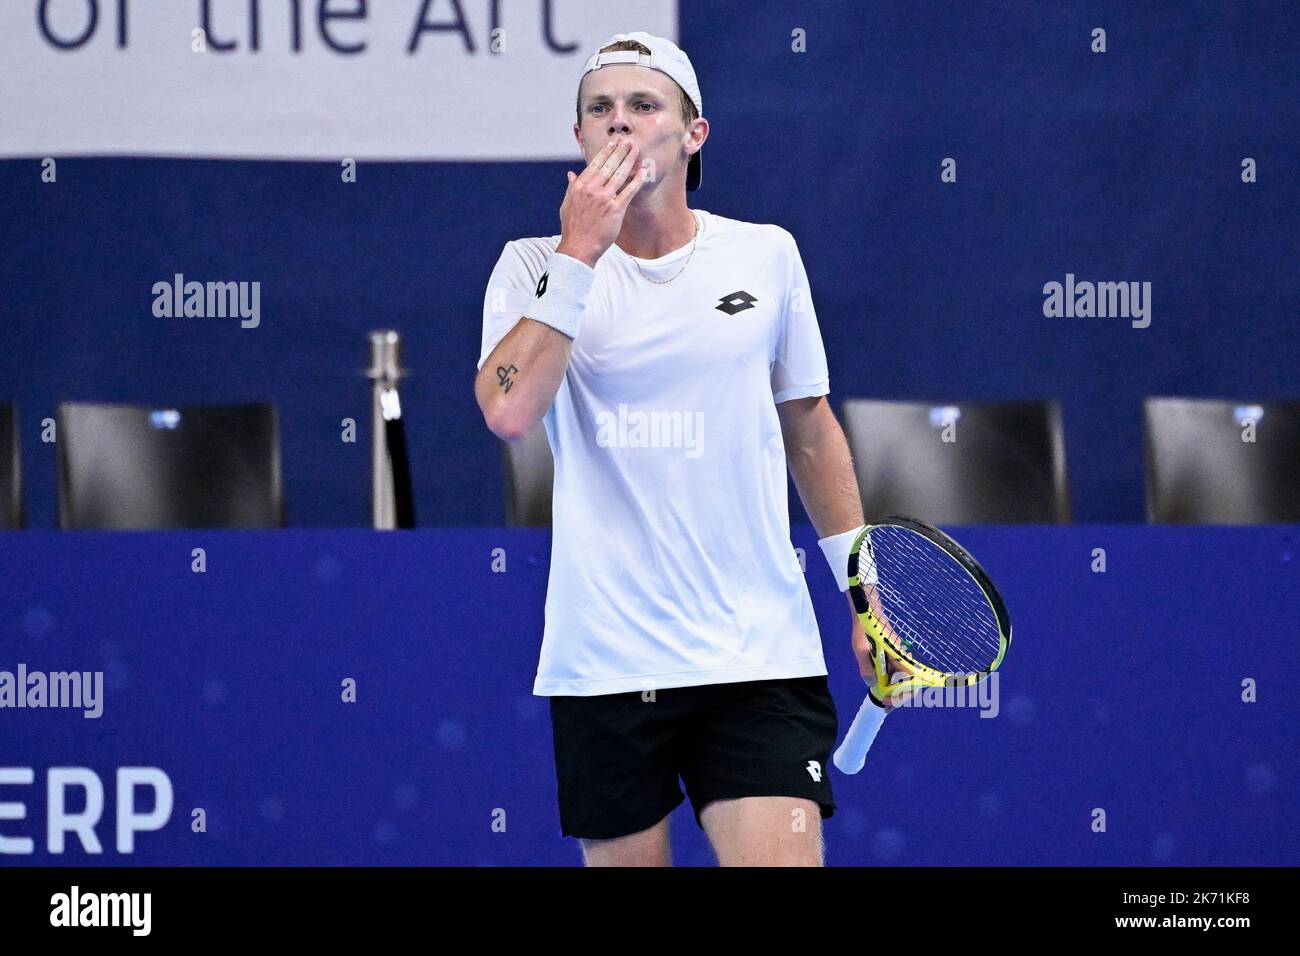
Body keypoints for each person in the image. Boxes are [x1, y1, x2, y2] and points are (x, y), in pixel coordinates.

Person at [475, 31, 896, 866]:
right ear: (578, 136)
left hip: (757, 652)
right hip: (604, 660)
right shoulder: (532, 268)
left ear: (693, 133)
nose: (620, 126)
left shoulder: (766, 253)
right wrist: (580, 253)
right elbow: (509, 410)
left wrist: (862, 590)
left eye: (644, 106)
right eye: (601, 109)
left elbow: (809, 427)